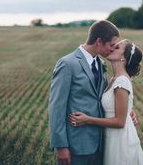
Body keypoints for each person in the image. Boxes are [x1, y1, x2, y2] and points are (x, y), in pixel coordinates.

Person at [48, 20, 120, 165]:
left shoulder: (100, 64)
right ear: (99, 41)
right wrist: (61, 146)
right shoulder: (67, 64)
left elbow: (106, 97)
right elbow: (56, 107)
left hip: (100, 144)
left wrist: (128, 111)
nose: (113, 49)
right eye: (111, 45)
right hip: (76, 145)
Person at [70, 39, 143, 165]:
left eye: (116, 48)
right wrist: (129, 110)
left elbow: (120, 122)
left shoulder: (121, 81)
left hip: (120, 140)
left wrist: (87, 120)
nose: (111, 49)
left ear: (123, 58)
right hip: (112, 136)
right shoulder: (114, 79)